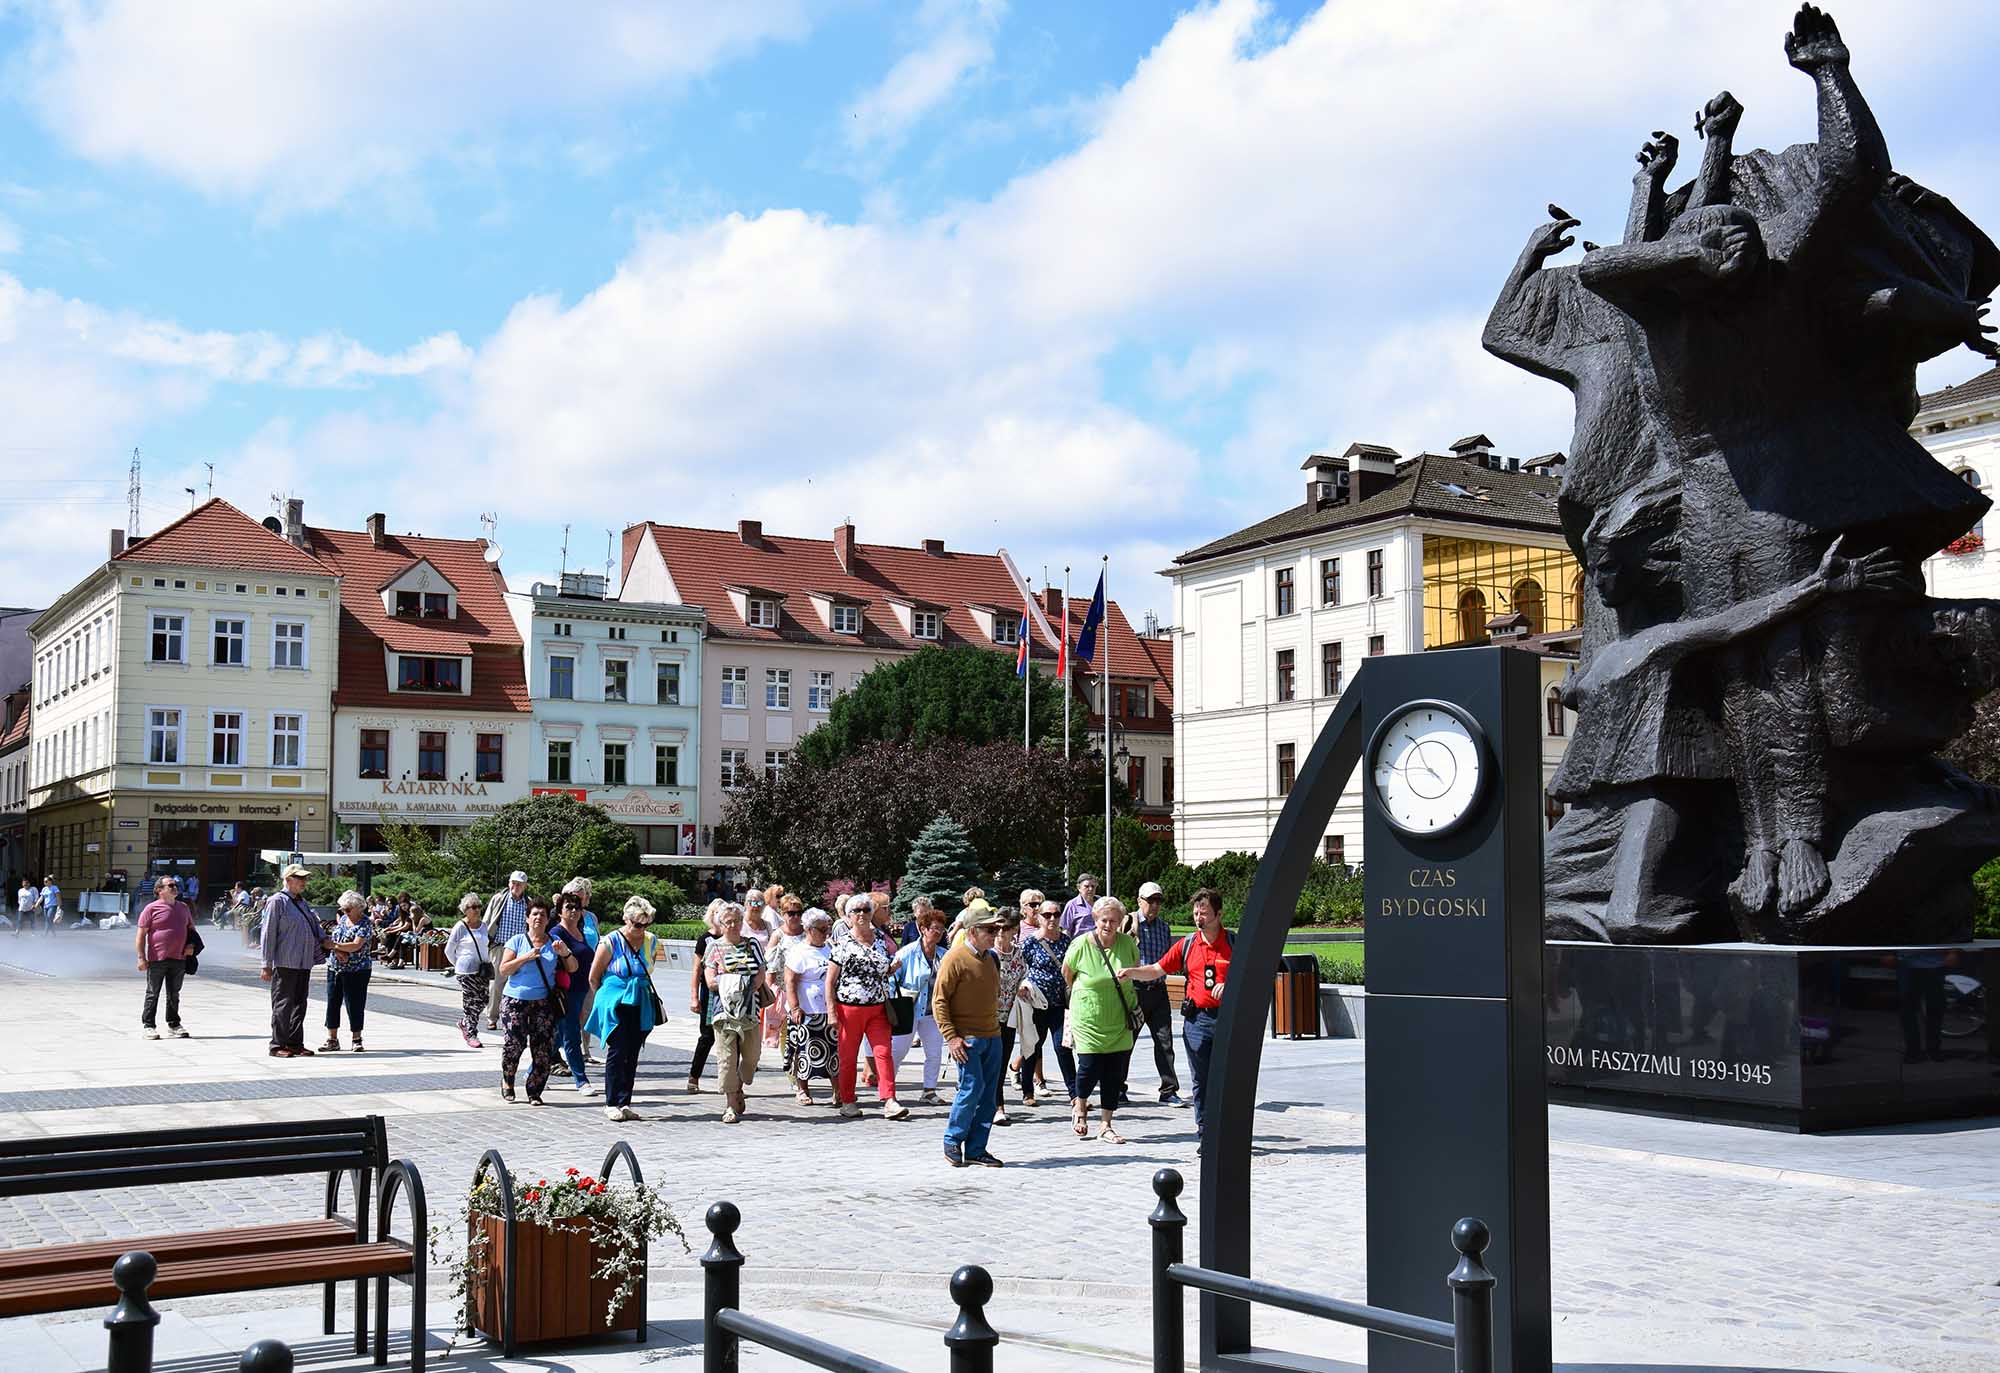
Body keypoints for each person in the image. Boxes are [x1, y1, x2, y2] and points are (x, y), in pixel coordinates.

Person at [1122, 886, 1232, 1145]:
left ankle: (1229, 1134)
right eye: (1195, 913)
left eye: (1204, 913)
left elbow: (1256, 977)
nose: (1198, 918)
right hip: (1197, 1021)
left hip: (1229, 1022)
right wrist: (1131, 972)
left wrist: (1232, 985)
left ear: (1219, 914)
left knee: (1229, 1080)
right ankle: (1206, 1136)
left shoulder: (1234, 943)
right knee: (1201, 1080)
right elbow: (1157, 969)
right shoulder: (1188, 944)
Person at [1062, 895, 1140, 1143]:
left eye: (1114, 921)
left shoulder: (1128, 944)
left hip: (1119, 1017)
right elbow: (1068, 975)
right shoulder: (1080, 944)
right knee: (1089, 1066)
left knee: (1114, 1072)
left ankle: (1106, 1124)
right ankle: (1080, 1108)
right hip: (1088, 1018)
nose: (1109, 925)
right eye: (1104, 920)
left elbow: (1135, 969)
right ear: (1095, 919)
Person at [934, 907, 1006, 1167]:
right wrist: (952, 1037)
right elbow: (939, 1001)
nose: (995, 934)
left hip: (992, 1036)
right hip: (967, 1039)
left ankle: (976, 1149)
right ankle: (952, 1140)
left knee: (988, 1096)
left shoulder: (990, 958)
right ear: (972, 931)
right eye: (990, 930)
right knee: (971, 1088)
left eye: (997, 929)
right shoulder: (955, 958)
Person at [827, 893, 908, 1119]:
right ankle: (848, 1100)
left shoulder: (881, 939)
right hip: (849, 1008)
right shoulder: (843, 943)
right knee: (848, 1056)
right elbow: (830, 981)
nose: (861, 914)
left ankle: (890, 1099)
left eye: (866, 910)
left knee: (883, 1053)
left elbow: (882, 970)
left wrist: (892, 968)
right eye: (856, 911)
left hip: (879, 1007)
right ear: (849, 916)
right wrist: (831, 1010)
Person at [585, 896, 661, 1122]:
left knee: (633, 1052)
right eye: (637, 924)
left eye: (646, 924)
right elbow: (593, 977)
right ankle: (611, 1102)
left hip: (640, 1001)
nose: (641, 929)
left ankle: (625, 1100)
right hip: (615, 1001)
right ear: (625, 919)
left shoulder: (651, 941)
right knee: (618, 1050)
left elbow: (648, 968)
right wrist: (607, 998)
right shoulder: (610, 941)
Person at [493, 897, 576, 1104]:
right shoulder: (517, 941)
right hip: (515, 1001)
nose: (538, 918)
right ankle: (508, 1081)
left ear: (549, 919)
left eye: (543, 915)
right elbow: (504, 969)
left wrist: (565, 953)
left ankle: (534, 1091)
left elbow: (573, 967)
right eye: (535, 914)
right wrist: (525, 958)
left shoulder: (554, 943)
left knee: (542, 1049)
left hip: (543, 1003)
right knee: (514, 1044)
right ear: (527, 919)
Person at [703, 903, 771, 1124]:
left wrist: (747, 989)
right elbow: (710, 979)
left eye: (737, 921)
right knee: (727, 1059)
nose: (733, 925)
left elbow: (761, 972)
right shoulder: (714, 947)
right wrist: (732, 984)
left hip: (750, 1009)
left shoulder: (751, 945)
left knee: (751, 1056)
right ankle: (731, 1104)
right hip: (724, 1012)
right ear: (721, 924)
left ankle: (739, 1084)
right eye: (728, 922)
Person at [259, 864, 329, 1057]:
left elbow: (315, 926)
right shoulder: (277, 901)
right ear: (288, 880)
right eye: (299, 878)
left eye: (305, 878)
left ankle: (295, 1043)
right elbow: (268, 934)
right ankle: (277, 1045)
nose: (303, 882)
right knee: (283, 1004)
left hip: (303, 962)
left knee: (299, 1004)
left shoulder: (302, 902)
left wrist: (331, 944)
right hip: (285, 962)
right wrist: (266, 964)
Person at [1127, 881, 1185, 1107]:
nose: (1154, 905)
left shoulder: (1164, 927)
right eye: (1150, 900)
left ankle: (1169, 1090)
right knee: (1126, 1042)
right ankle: (1118, 1088)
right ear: (1139, 901)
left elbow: (1167, 960)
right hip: (1136, 991)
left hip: (1159, 991)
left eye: (1158, 901)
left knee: (1164, 1041)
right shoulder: (1129, 923)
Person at [1017, 891, 1075, 1104]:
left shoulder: (1066, 942)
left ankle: (1075, 1094)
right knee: (1032, 1046)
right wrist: (1022, 986)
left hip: (1060, 1003)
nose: (1052, 919)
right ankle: (1028, 1092)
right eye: (1047, 915)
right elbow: (1019, 968)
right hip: (1036, 1003)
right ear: (1039, 917)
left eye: (1056, 915)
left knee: (1063, 1046)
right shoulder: (1030, 943)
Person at [890, 909, 950, 1103]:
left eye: (942, 929)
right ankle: (888, 1090)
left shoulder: (945, 955)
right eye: (935, 928)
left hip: (934, 1013)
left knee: (934, 1052)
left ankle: (929, 1091)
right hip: (909, 1010)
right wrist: (895, 1002)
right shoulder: (907, 953)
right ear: (923, 929)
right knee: (898, 1052)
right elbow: (891, 980)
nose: (939, 933)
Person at [783, 908, 837, 1104]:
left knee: (833, 1050)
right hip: (807, 1010)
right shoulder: (799, 951)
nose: (826, 933)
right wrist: (795, 1007)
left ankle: (837, 1091)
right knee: (804, 1050)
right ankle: (802, 1089)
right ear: (809, 929)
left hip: (828, 1010)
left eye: (827, 928)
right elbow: (790, 981)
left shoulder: (830, 948)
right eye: (822, 929)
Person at [551, 893, 600, 1094]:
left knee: (558, 1037)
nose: (573, 911)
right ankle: (581, 1080)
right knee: (571, 1036)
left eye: (577, 908)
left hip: (582, 989)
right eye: (568, 907)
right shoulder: (557, 933)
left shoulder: (580, 931)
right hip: (566, 991)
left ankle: (534, 1070)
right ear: (560, 911)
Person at [135, 876, 195, 1039]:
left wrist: (191, 945)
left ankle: (174, 1024)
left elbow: (191, 930)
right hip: (157, 959)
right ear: (159, 890)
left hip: (179, 957)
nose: (175, 887)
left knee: (174, 993)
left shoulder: (183, 907)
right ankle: (149, 1025)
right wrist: (141, 957)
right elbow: (141, 935)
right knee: (153, 992)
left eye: (175, 885)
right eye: (170, 885)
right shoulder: (151, 909)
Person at [989, 907, 1030, 1126]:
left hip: (1010, 1016)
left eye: (1006, 928)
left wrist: (1025, 986)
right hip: (987, 1016)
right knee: (992, 1062)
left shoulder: (1018, 954)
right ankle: (997, 1106)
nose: (1001, 932)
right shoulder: (988, 953)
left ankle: (993, 1103)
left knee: (1002, 1062)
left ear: (1015, 929)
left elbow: (1025, 975)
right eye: (997, 928)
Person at [320, 890, 375, 1052]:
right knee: (332, 1002)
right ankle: (332, 1039)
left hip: (357, 969)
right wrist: (338, 951)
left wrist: (335, 947)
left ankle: (356, 1039)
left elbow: (356, 945)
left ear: (358, 908)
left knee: (355, 1003)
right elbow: (334, 941)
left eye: (348, 909)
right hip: (335, 967)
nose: (344, 912)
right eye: (342, 909)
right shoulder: (343, 920)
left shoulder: (365, 923)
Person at [483, 871, 532, 1032]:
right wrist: (484, 940)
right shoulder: (499, 899)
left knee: (519, 983)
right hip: (500, 947)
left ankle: (513, 1016)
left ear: (524, 886)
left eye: (519, 884)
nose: (515, 886)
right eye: (513, 883)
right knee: (497, 984)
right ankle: (492, 1017)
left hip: (520, 949)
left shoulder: (528, 903)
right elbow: (487, 919)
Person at [444, 893, 493, 1047]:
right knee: (471, 1001)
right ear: (465, 910)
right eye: (473, 907)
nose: (477, 910)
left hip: (482, 969)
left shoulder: (484, 926)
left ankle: (465, 1022)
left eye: (479, 907)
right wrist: (458, 964)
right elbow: (448, 950)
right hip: (465, 972)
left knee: (484, 999)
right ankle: (471, 1033)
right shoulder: (460, 927)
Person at [687, 900, 720, 1094]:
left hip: (729, 993)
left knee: (730, 1037)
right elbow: (696, 969)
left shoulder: (733, 938)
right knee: (707, 1036)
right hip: (708, 992)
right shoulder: (705, 939)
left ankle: (730, 1081)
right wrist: (694, 996)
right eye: (716, 912)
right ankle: (694, 1076)